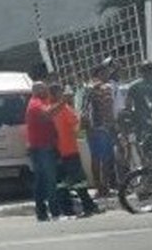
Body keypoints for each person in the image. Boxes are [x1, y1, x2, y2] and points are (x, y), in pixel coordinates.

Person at [50, 85, 100, 218]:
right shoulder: (65, 110)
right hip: (69, 150)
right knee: (79, 181)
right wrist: (84, 125)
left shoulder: (48, 111)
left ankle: (66, 209)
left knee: (61, 183)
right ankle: (88, 206)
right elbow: (78, 132)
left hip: (55, 152)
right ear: (58, 94)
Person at [26, 82, 64, 222]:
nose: (47, 90)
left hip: (42, 146)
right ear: (37, 91)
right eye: (44, 88)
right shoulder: (36, 104)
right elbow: (47, 114)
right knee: (49, 180)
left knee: (42, 181)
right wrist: (62, 102)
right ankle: (55, 212)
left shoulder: (40, 102)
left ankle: (42, 213)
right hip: (42, 147)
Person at [81, 64, 117, 197]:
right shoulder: (100, 88)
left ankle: (100, 186)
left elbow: (84, 110)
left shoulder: (89, 88)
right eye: (106, 72)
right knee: (103, 158)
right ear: (100, 73)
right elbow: (107, 109)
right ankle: (103, 187)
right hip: (100, 127)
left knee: (98, 158)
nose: (108, 75)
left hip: (95, 128)